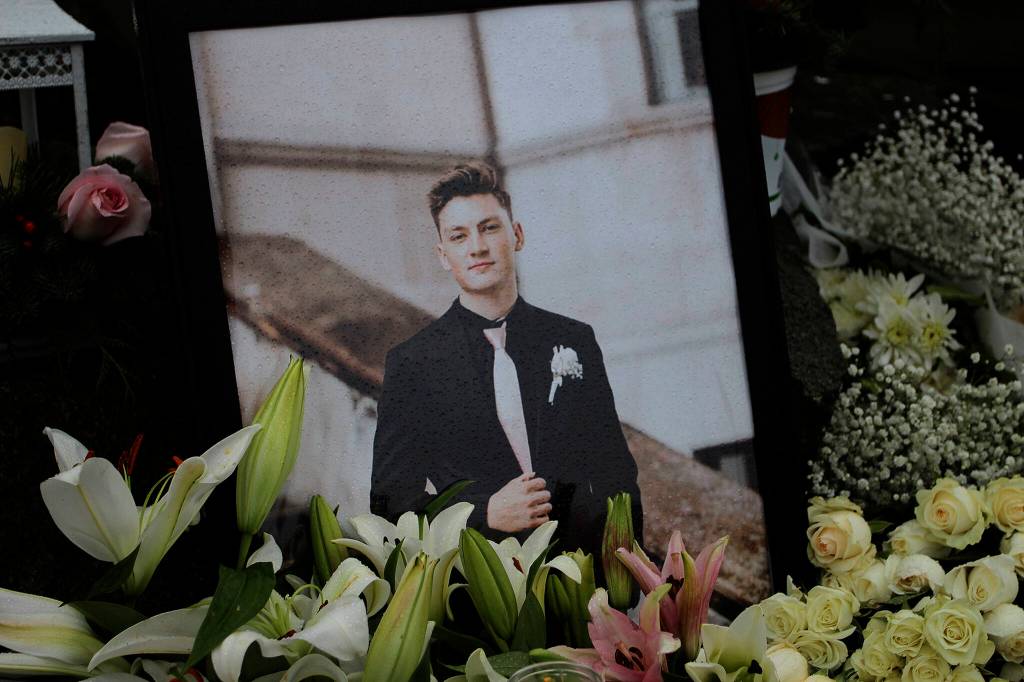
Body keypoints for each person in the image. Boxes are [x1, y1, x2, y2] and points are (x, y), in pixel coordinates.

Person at [370, 163, 642, 557]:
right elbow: (390, 505)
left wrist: (625, 575)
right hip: (483, 579)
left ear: (517, 235)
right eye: (459, 236)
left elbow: (617, 475)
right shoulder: (412, 364)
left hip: (584, 576)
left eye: (489, 228)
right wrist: (484, 513)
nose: (477, 247)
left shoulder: (573, 339)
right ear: (443, 255)